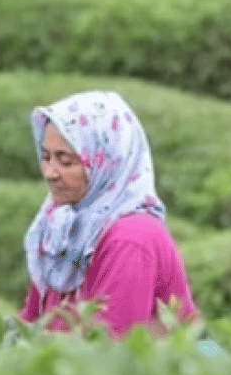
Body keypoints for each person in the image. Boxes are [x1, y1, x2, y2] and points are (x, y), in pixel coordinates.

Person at [17, 90, 200, 340]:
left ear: (106, 162)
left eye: (66, 161)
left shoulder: (132, 238)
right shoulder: (62, 226)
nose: (50, 172)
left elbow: (108, 348)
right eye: (46, 157)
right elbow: (32, 323)